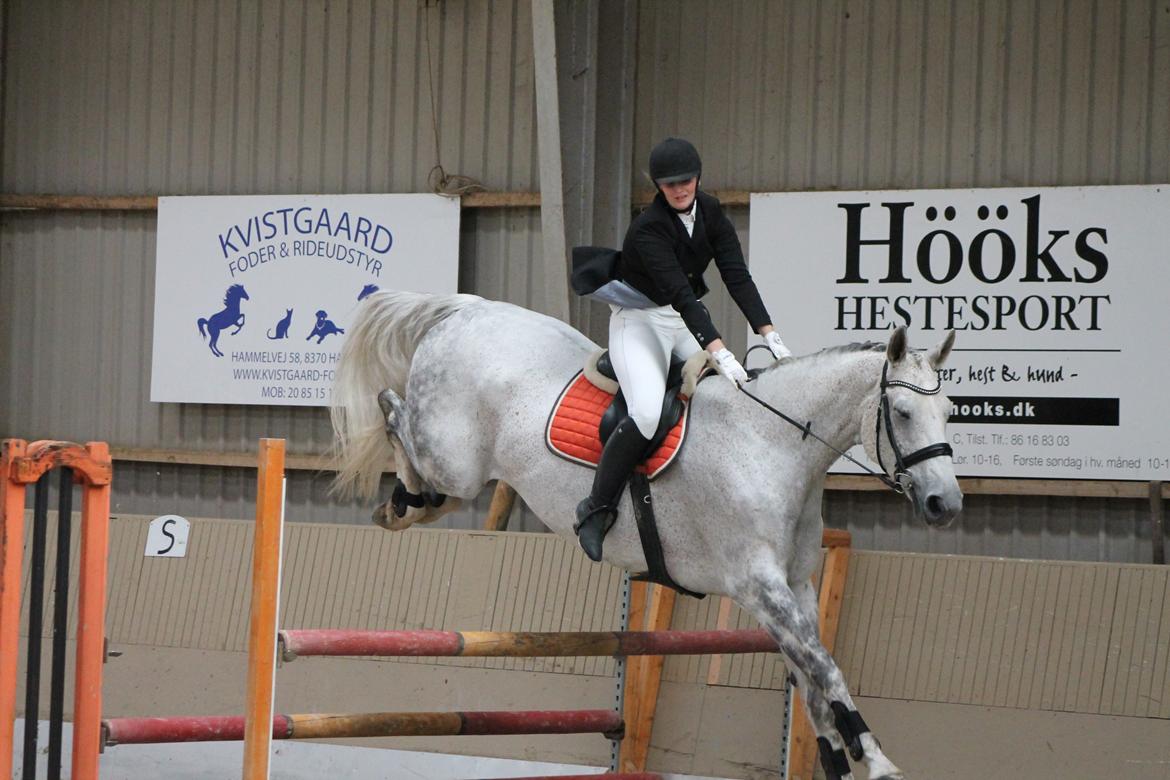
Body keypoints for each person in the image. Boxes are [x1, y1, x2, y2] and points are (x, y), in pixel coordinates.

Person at [572, 137, 792, 561]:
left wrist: (772, 337)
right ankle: (596, 508)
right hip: (639, 322)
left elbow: (736, 276)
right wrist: (722, 353)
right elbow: (682, 294)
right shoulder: (648, 227)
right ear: (658, 186)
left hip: (678, 322)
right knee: (648, 412)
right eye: (669, 184)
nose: (679, 189)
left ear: (698, 177)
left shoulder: (710, 211)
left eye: (686, 180)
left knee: (724, 399)